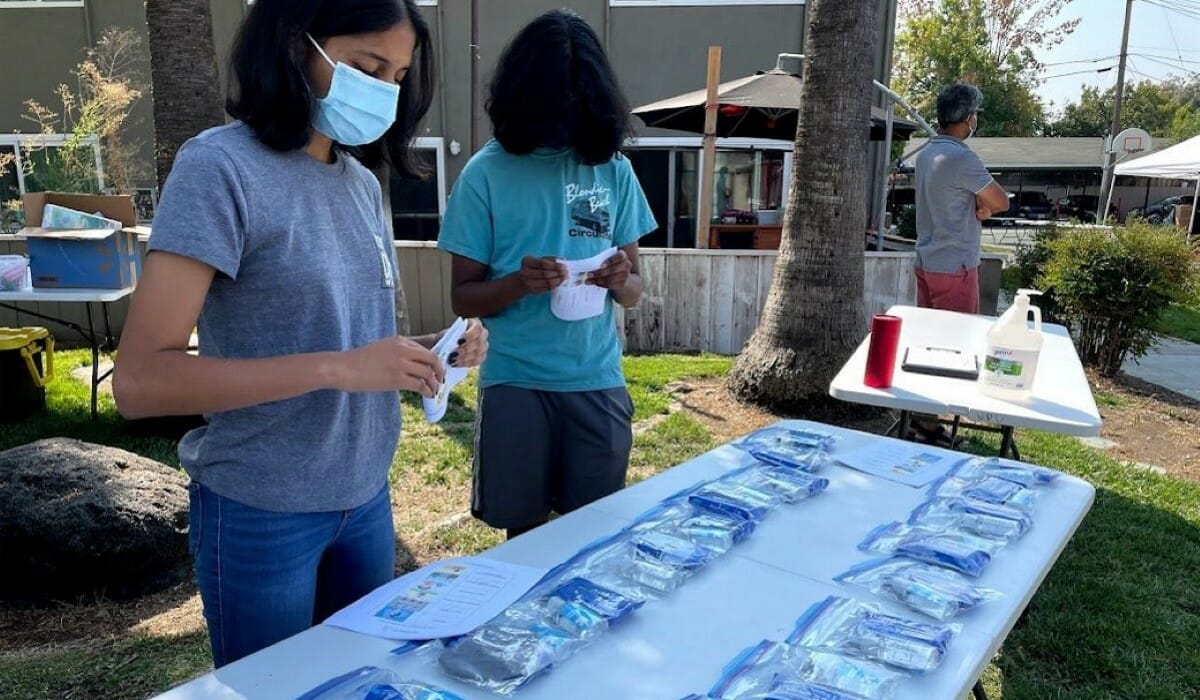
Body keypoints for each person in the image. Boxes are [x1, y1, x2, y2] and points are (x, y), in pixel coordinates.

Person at [112, 0, 487, 668]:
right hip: (262, 510)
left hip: (365, 498)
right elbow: (140, 382)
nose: (386, 93)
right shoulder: (218, 168)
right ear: (294, 46)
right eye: (369, 67)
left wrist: (430, 350)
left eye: (397, 76)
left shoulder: (360, 184)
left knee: (363, 681)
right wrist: (338, 368)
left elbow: (351, 340)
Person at [437, 10, 656, 541]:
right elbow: (462, 297)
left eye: (578, 106)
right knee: (525, 538)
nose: (565, 121)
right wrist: (518, 282)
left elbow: (633, 294)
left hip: (596, 380)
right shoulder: (485, 173)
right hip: (516, 382)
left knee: (593, 537)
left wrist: (620, 277)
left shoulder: (612, 170)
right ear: (524, 97)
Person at [913, 83, 1009, 315]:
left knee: (929, 336)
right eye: (974, 115)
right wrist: (986, 207)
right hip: (955, 267)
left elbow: (948, 198)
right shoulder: (962, 158)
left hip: (926, 263)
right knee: (956, 340)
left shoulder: (925, 155)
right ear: (968, 118)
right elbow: (1002, 201)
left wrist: (980, 205)